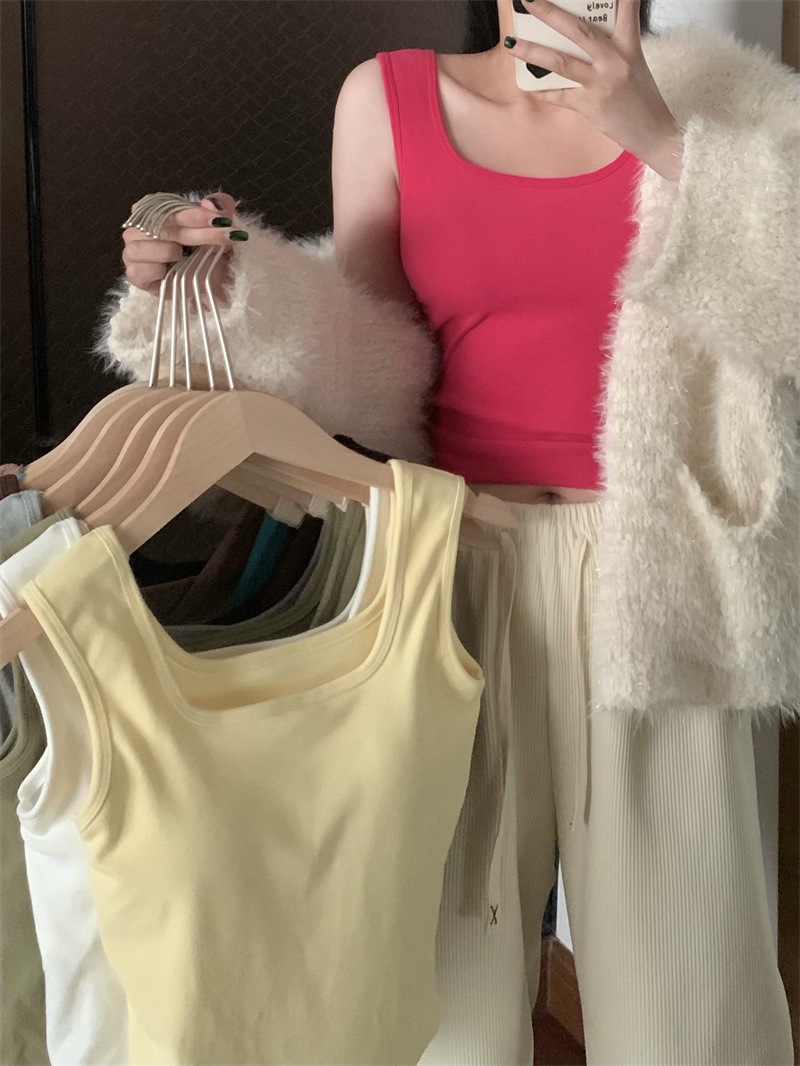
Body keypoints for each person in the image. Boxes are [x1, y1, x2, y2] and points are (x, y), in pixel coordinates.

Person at [100, 1, 798, 1060]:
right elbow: (371, 369)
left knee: (689, 1010)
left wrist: (661, 140)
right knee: (443, 1010)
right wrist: (236, 293)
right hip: (448, 567)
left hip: (662, 583)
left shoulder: (723, 95)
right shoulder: (388, 102)